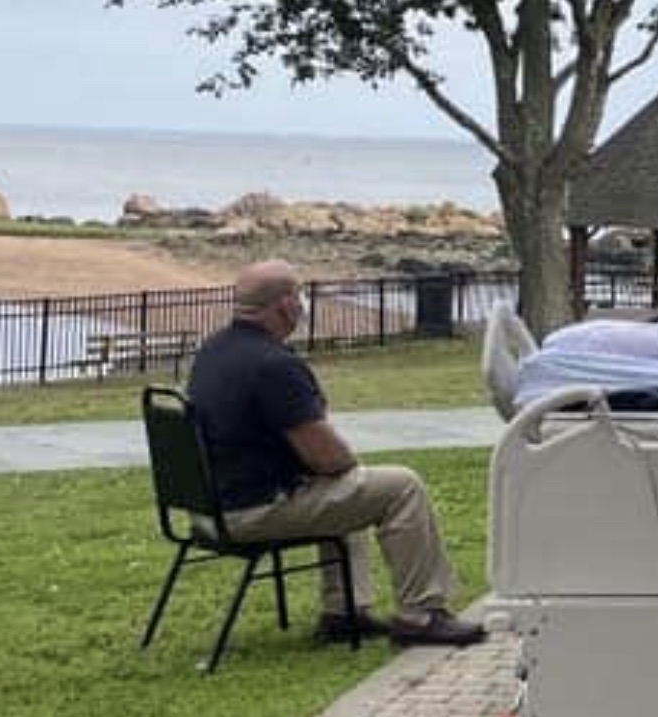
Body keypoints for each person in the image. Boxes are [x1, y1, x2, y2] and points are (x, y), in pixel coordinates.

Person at [185, 261, 486, 647]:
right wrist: (347, 464)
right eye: (299, 295)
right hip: (251, 511)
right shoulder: (274, 366)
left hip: (212, 506)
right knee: (399, 486)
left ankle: (345, 611)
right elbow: (326, 457)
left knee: (345, 489)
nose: (303, 304)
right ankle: (422, 613)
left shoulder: (214, 351)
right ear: (286, 306)